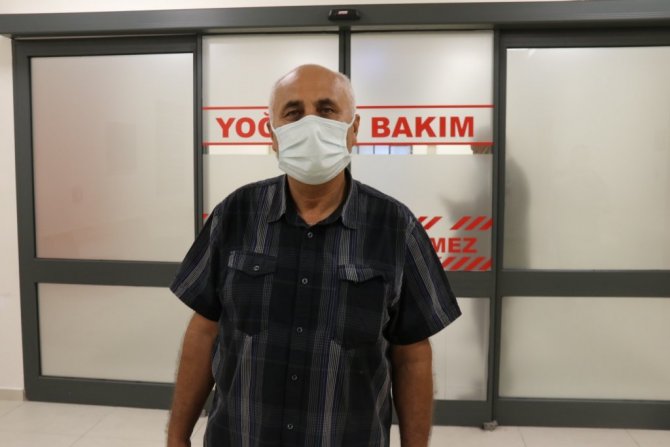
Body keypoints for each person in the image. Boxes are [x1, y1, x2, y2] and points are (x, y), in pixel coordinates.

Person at [167, 64, 461, 447]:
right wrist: (177, 437)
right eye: (293, 113)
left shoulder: (395, 227)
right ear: (272, 134)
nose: (310, 124)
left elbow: (413, 356)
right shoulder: (235, 214)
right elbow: (204, 331)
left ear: (354, 129)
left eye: (326, 110)